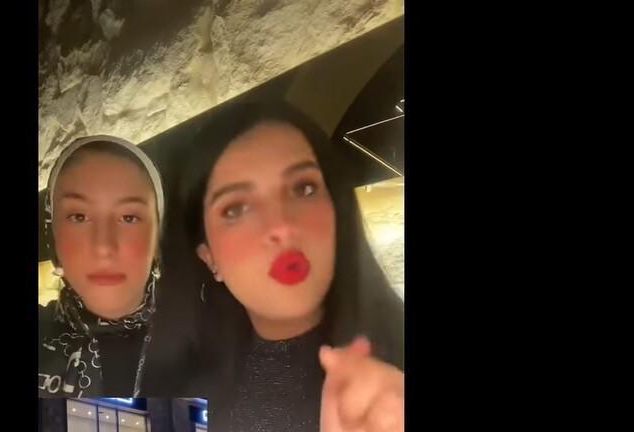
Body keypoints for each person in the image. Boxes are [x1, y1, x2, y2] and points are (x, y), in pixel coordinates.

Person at [179, 102, 405, 431]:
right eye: (236, 209)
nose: (282, 226)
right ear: (209, 258)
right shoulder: (194, 396)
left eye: (304, 189)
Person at [38, 135, 165, 397]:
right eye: (79, 216)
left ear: (156, 239)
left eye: (129, 217)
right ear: (53, 236)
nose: (104, 246)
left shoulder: (216, 346)